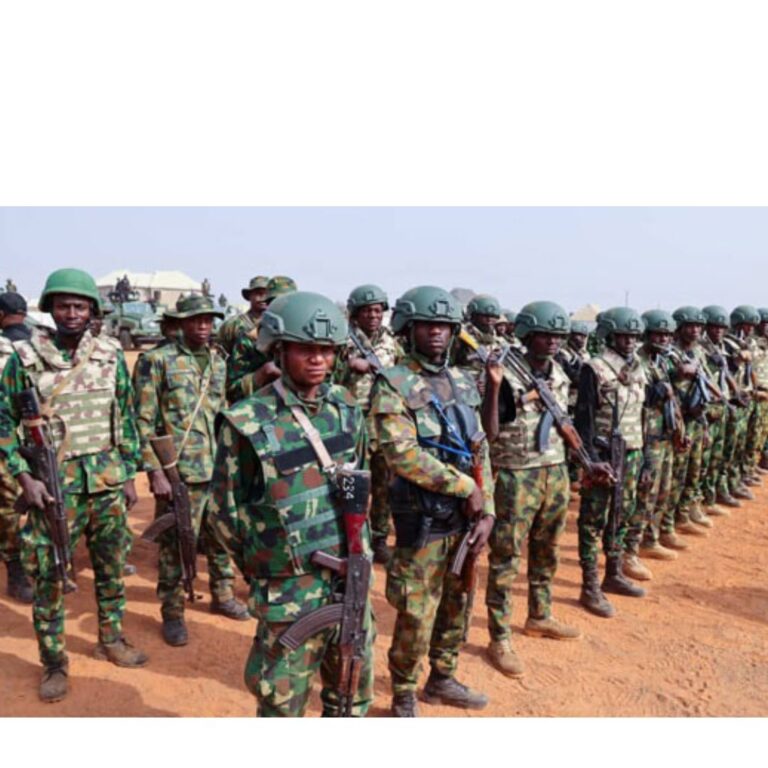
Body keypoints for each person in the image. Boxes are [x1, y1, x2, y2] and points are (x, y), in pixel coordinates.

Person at [210, 290, 374, 717]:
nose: (318, 359)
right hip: (289, 591)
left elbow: (361, 483)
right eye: (305, 349)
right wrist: (269, 568)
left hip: (350, 577)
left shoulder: (346, 409)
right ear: (278, 350)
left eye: (326, 349)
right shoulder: (247, 421)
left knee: (351, 694)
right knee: (282, 705)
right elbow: (224, 515)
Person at [0, 268, 148, 703]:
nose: (71, 313)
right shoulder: (24, 358)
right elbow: (4, 423)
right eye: (63, 305)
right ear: (50, 308)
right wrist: (24, 477)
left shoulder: (110, 354)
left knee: (111, 565)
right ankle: (53, 661)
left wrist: (128, 473)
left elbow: (124, 414)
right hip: (51, 486)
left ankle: (111, 638)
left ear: (91, 310)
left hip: (105, 481)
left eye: (79, 306)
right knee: (49, 575)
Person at [369, 285, 495, 716]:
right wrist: (466, 488)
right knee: (417, 611)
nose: (437, 332)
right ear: (408, 329)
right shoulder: (393, 383)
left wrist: (488, 507)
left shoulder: (462, 380)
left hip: (465, 518)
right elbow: (401, 454)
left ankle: (442, 677)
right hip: (422, 520)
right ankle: (404, 691)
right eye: (427, 325)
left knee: (458, 603)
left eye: (443, 325)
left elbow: (480, 448)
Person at [483, 301, 596, 679]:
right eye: (544, 335)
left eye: (557, 336)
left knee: (547, 549)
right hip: (516, 475)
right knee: (506, 558)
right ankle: (499, 637)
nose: (552, 342)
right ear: (527, 335)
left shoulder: (560, 372)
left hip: (555, 472)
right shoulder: (503, 372)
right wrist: (499, 390)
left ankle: (540, 614)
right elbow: (489, 431)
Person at [134, 294, 248, 646]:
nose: (203, 326)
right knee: (175, 543)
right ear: (180, 323)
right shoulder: (157, 360)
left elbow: (221, 412)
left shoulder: (218, 362)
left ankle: (222, 594)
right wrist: (154, 471)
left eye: (208, 320)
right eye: (196, 320)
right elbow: (143, 419)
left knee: (221, 537)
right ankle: (172, 612)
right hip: (178, 470)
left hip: (216, 467)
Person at [575, 307, 648, 618]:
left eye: (633, 336)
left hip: (632, 451)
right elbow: (584, 419)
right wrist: (590, 461)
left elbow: (642, 414)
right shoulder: (594, 368)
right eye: (623, 336)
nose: (629, 341)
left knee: (623, 513)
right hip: (603, 455)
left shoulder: (639, 367)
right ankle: (590, 585)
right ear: (609, 336)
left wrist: (646, 459)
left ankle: (614, 572)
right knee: (593, 519)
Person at [335, 284, 403, 564]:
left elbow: (403, 373)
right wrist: (349, 365)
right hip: (353, 422)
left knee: (384, 485)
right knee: (353, 482)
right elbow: (326, 378)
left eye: (377, 311)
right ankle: (352, 537)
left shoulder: (391, 341)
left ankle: (379, 538)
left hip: (384, 420)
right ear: (355, 314)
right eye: (367, 311)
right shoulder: (343, 340)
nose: (373, 316)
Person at [631, 310, 684, 568]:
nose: (664, 338)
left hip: (663, 434)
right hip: (645, 437)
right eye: (658, 334)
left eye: (667, 334)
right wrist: (653, 392)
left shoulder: (660, 361)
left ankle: (651, 539)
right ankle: (630, 549)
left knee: (662, 490)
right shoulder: (637, 362)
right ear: (647, 334)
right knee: (645, 494)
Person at [0, 292, 34, 602]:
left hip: (7, 440)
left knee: (9, 507)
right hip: (41, 438)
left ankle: (17, 571)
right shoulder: (43, 344)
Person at [226, 276, 297, 402]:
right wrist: (262, 374)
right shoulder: (250, 340)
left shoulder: (311, 339)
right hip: (262, 407)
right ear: (268, 305)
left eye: (289, 303)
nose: (283, 308)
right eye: (275, 303)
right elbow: (231, 390)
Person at [216, 275, 269, 355]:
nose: (263, 298)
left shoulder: (278, 324)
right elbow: (219, 350)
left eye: (266, 294)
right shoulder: (233, 324)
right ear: (249, 296)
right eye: (258, 293)